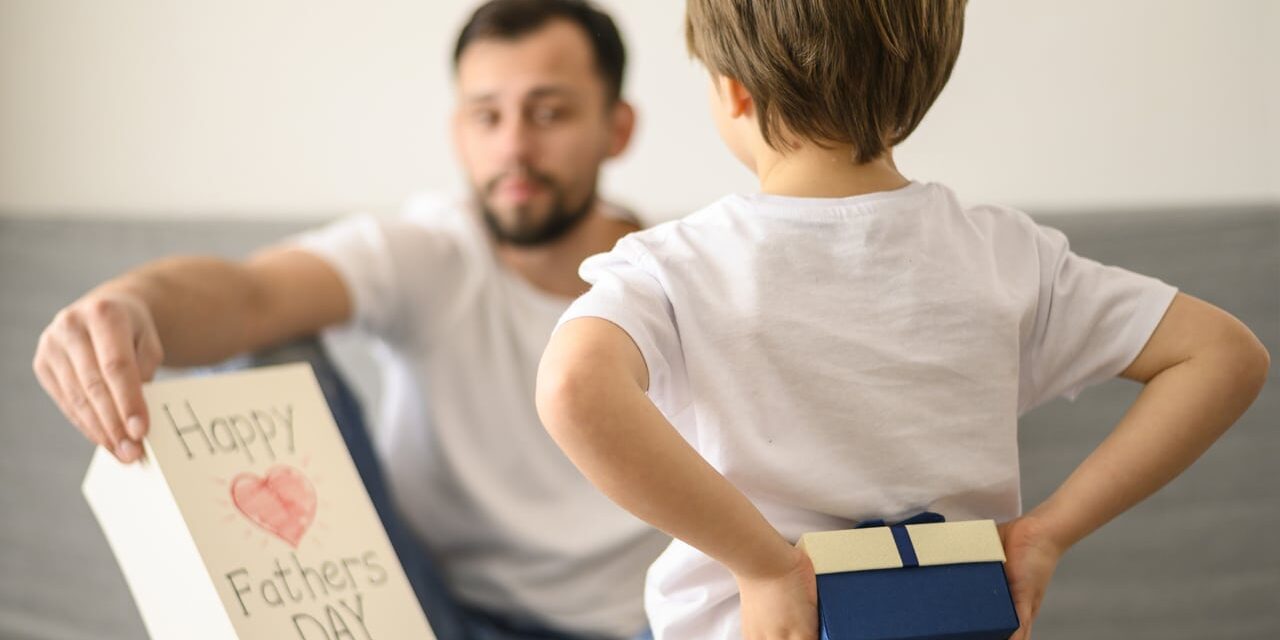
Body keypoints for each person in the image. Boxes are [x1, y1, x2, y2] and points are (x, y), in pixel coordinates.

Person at [534, 1, 1271, 639]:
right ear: (925, 81)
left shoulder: (680, 263)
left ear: (732, 91)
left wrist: (762, 564)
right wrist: (1049, 533)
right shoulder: (1002, 254)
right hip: (956, 614)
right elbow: (1225, 355)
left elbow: (573, 388)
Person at [31, 1, 670, 638]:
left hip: (637, 628)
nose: (513, 147)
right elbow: (252, 293)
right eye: (487, 116)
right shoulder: (432, 251)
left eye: (549, 113)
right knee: (264, 350)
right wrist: (132, 304)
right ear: (458, 133)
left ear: (616, 129)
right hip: (421, 614)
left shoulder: (681, 279)